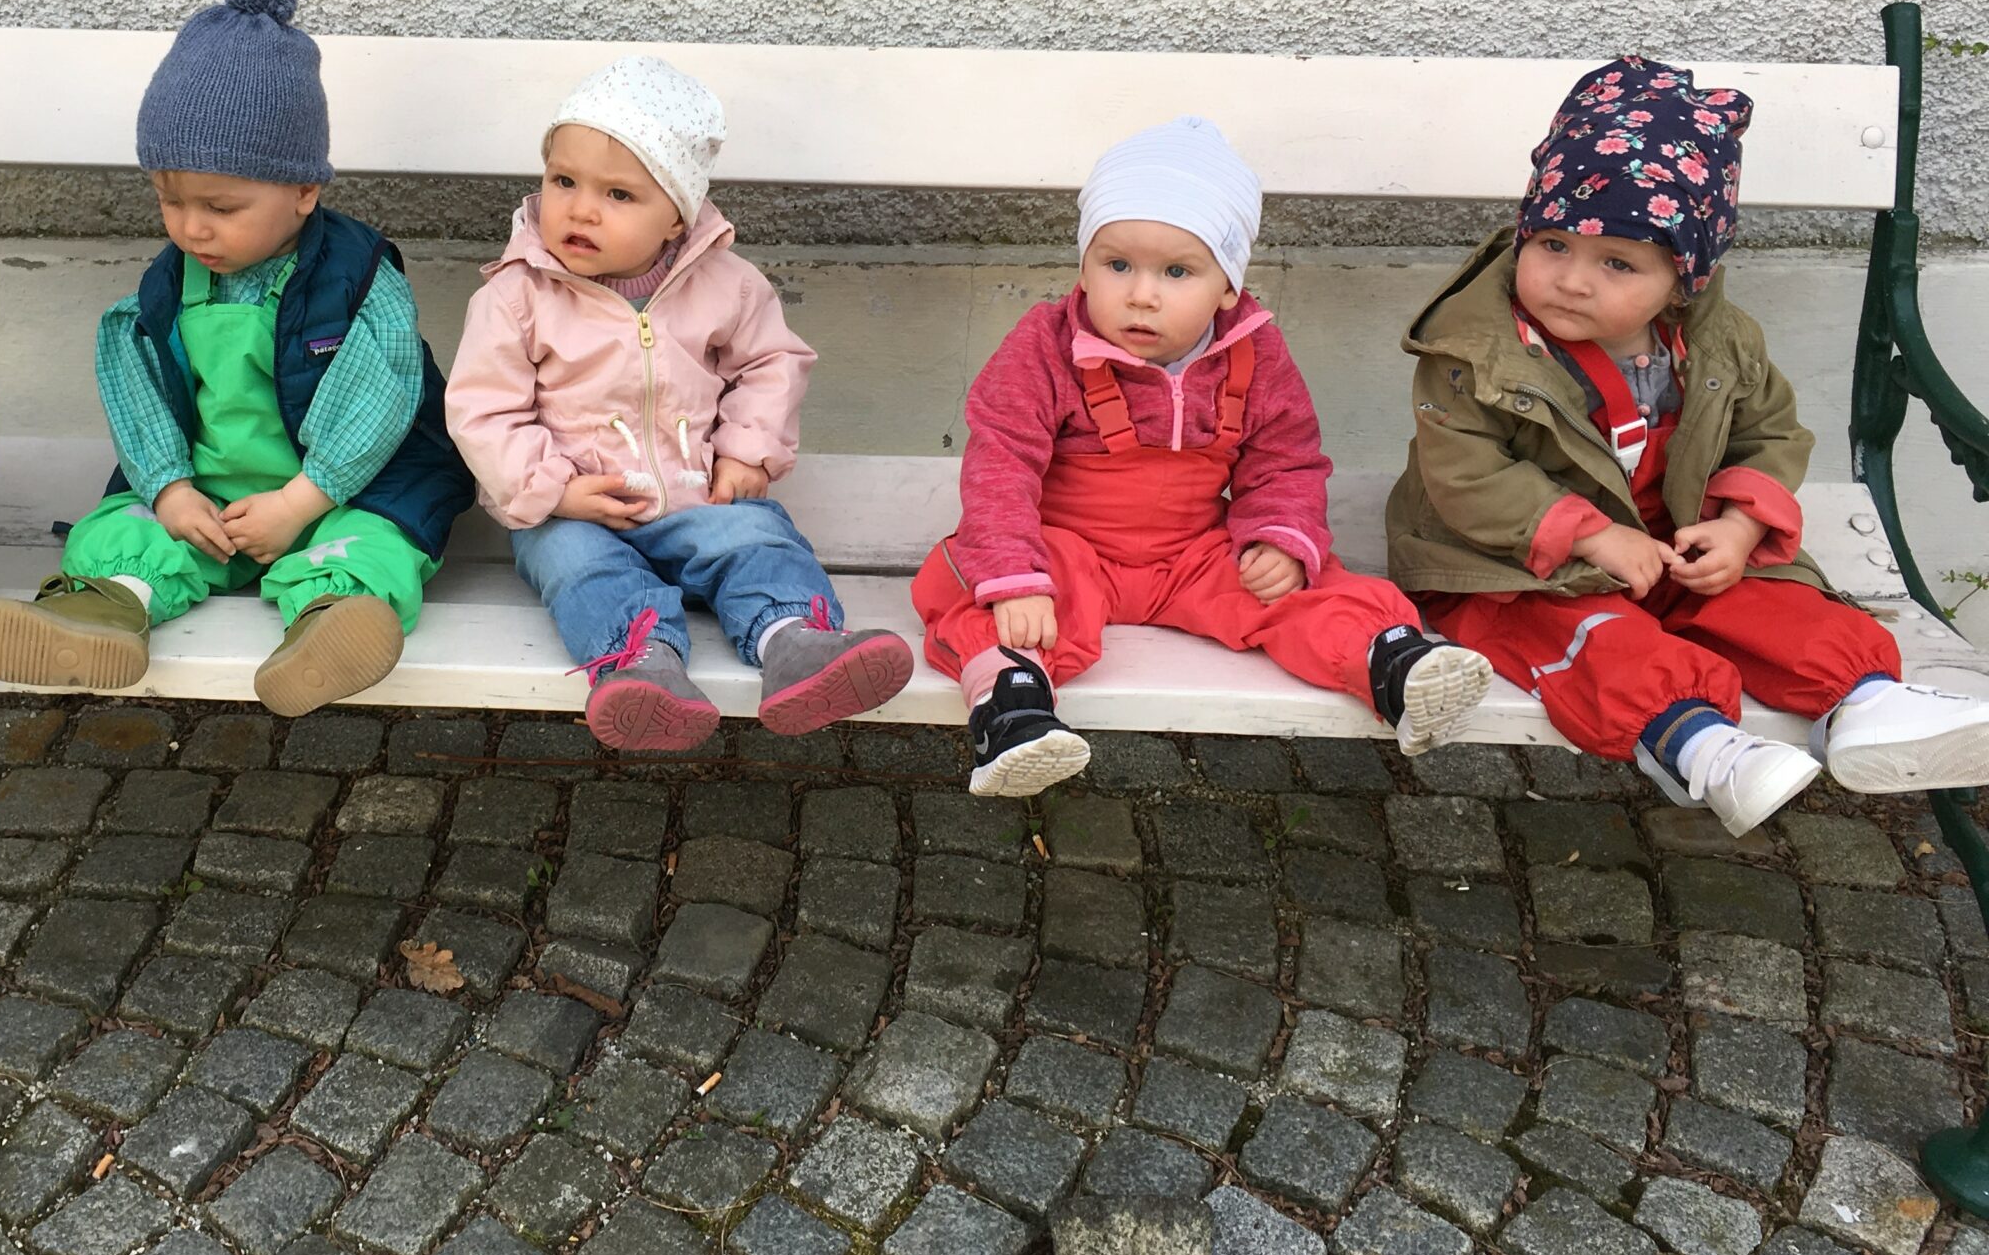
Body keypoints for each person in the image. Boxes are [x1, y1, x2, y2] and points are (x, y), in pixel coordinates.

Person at [1388, 55, 1989, 834]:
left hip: (1673, 536)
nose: (1572, 280)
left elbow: (1771, 431)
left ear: (1684, 278)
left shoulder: (1717, 343)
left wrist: (1738, 526)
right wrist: (1593, 536)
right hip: (1508, 561)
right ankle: (1700, 747)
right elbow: (1465, 475)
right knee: (1592, 635)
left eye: (1617, 263)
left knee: (1763, 599)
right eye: (1553, 244)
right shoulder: (1474, 350)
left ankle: (1866, 701)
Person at [915, 117, 1494, 797]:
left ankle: (1390, 663)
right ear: (1084, 266)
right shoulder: (1044, 345)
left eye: (1177, 271)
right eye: (1118, 264)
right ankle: (1011, 707)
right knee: (980, 594)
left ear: (1228, 286)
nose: (1141, 293)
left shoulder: (1255, 354)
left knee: (1296, 585)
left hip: (1193, 553)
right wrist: (1017, 575)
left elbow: (1285, 458)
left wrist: (1279, 536)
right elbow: (1001, 461)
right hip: (1066, 548)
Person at [0, 0, 473, 716]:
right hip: (217, 490)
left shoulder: (357, 279)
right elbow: (134, 381)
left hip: (348, 484)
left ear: (305, 190)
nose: (191, 227)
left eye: (221, 207)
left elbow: (382, 393)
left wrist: (303, 501)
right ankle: (102, 608)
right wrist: (169, 488)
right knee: (126, 523)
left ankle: (330, 624)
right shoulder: (169, 284)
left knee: (374, 540)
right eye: (170, 200)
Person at [445, 54, 914, 749]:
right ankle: (643, 666)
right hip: (573, 512)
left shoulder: (726, 285)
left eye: (619, 195)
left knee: (756, 536)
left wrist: (747, 451)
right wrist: (555, 491)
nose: (579, 207)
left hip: (698, 496)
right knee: (580, 567)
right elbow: (483, 410)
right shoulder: (516, 298)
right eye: (563, 180)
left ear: (676, 218)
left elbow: (772, 361)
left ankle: (796, 643)